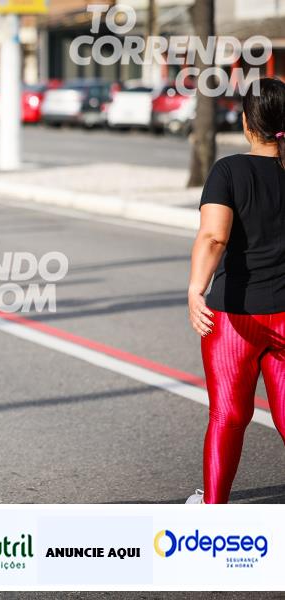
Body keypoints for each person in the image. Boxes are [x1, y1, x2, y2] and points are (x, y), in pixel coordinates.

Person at [186, 77, 285, 504]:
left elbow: (214, 237)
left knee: (227, 416)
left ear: (246, 123)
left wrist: (195, 289)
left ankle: (214, 513)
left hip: (234, 317)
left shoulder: (229, 171)